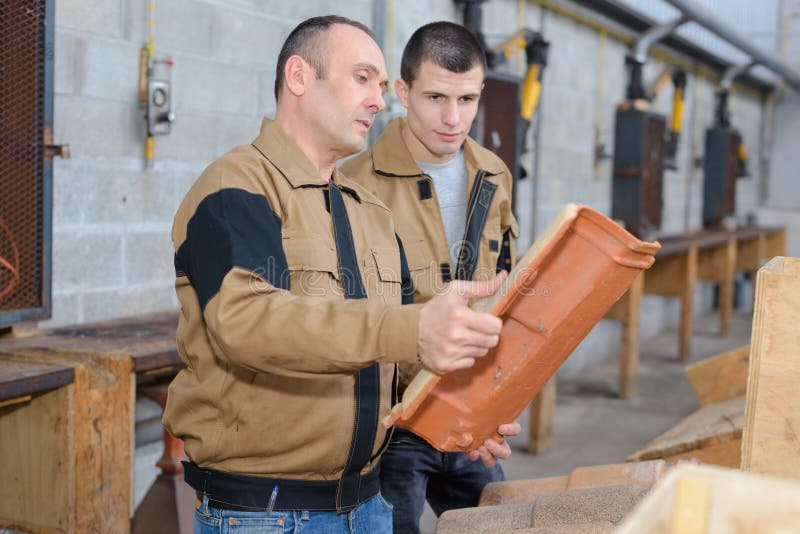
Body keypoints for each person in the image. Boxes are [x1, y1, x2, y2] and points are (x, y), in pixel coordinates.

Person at [163, 15, 508, 534]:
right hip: (267, 514)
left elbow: (391, 360)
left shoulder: (369, 210)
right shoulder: (236, 187)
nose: (378, 100)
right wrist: (410, 328)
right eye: (362, 78)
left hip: (368, 506)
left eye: (379, 84)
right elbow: (245, 320)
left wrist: (457, 419)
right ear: (299, 77)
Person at [342, 21, 521, 533]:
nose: (452, 118)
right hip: (392, 423)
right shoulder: (352, 183)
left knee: (501, 524)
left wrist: (497, 394)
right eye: (436, 97)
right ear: (402, 93)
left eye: (467, 100)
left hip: (470, 410)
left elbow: (506, 286)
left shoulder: (494, 173)